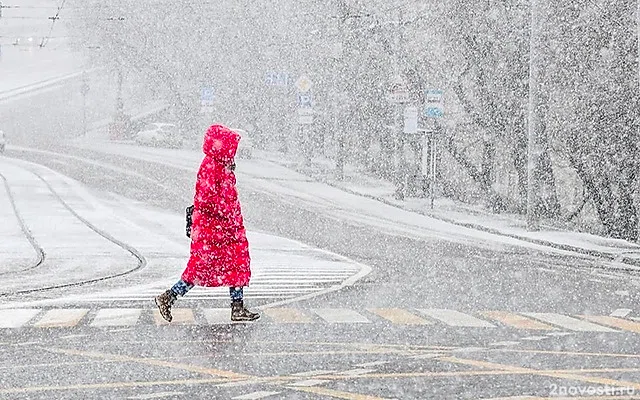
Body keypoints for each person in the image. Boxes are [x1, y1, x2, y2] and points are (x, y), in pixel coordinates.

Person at [155, 124, 259, 322]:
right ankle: (169, 296)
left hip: (226, 227)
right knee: (201, 267)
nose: (234, 152)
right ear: (222, 146)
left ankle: (237, 307)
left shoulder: (222, 165)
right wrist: (227, 213)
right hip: (213, 228)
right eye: (231, 147)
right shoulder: (211, 166)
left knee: (237, 262)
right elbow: (206, 199)